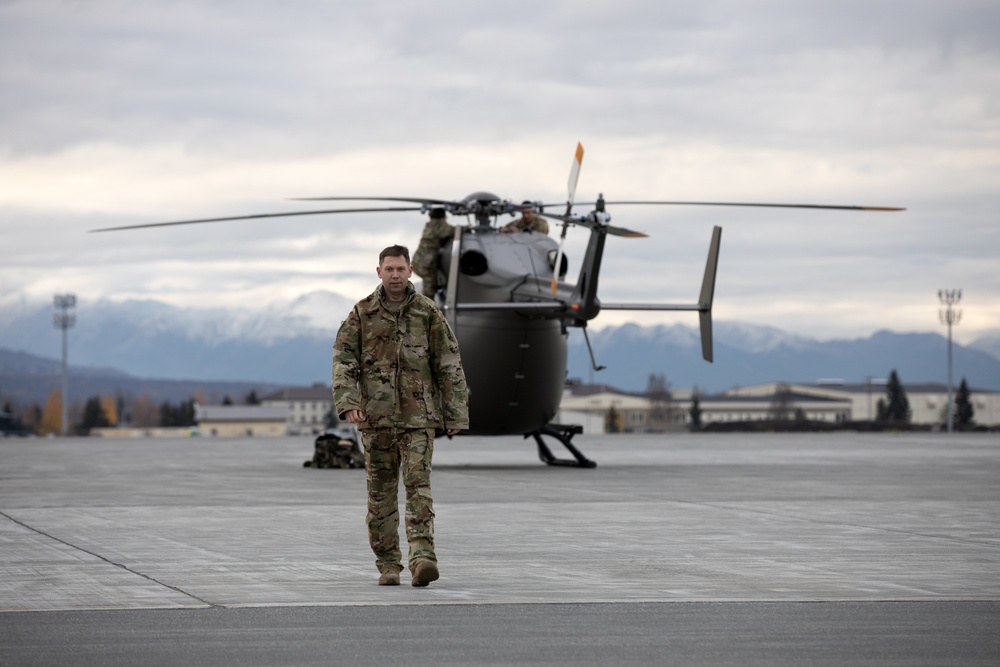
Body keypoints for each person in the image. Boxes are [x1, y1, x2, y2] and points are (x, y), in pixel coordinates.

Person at [332, 244, 470, 588]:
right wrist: (347, 401)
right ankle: (388, 564)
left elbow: (448, 363)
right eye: (389, 269)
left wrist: (455, 412)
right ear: (378, 271)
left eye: (400, 269)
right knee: (380, 493)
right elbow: (343, 359)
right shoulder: (362, 313)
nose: (395, 275)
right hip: (375, 419)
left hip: (418, 418)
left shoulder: (427, 312)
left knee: (418, 486)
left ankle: (423, 558)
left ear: (410, 272)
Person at [411, 208, 455, 297]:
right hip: (427, 265)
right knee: (429, 292)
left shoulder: (430, 225)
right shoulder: (438, 225)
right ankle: (425, 309)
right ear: (443, 217)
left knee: (431, 287)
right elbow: (452, 230)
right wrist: (467, 227)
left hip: (418, 262)